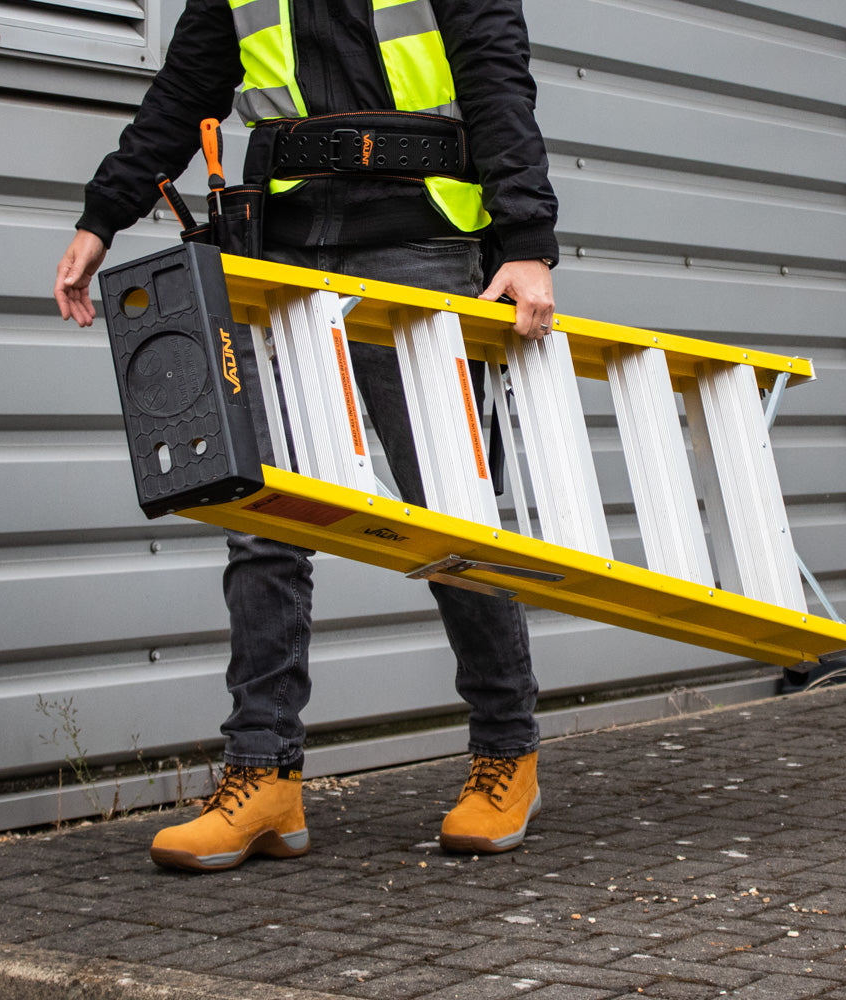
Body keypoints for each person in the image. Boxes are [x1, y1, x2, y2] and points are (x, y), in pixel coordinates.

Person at [54, 0, 558, 873]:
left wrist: (528, 239)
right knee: (265, 518)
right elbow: (188, 85)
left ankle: (507, 752)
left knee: (453, 519)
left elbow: (494, 72)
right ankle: (263, 775)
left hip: (422, 241)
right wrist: (106, 212)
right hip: (282, 251)